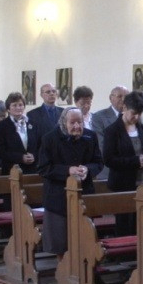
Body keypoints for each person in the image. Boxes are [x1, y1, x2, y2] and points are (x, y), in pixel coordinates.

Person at [37, 107, 103, 258]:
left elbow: (99, 162)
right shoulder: (49, 139)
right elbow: (43, 168)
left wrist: (87, 169)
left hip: (84, 194)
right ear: (63, 122)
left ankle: (86, 267)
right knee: (61, 242)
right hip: (58, 197)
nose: (77, 126)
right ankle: (63, 266)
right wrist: (68, 170)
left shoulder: (90, 136)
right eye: (72, 123)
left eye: (80, 122)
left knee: (84, 238)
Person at [103, 91, 143, 236]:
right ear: (125, 108)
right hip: (123, 185)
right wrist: (136, 161)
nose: (137, 117)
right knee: (126, 226)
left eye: (140, 114)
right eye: (134, 113)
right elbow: (108, 159)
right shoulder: (112, 131)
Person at [0, 92, 40, 175]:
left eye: (20, 105)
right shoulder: (1, 126)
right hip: (11, 170)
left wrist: (34, 156)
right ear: (8, 108)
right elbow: (0, 151)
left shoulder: (33, 124)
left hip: (32, 170)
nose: (18, 108)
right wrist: (20, 158)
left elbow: (40, 146)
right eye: (14, 105)